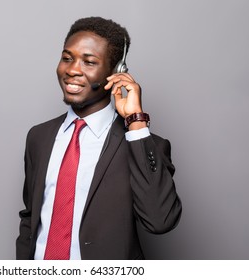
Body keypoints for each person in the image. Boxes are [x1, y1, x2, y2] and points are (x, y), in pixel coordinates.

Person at [16, 16, 182, 260]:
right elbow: (31, 218)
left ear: (116, 72)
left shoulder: (143, 143)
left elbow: (160, 221)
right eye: (67, 58)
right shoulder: (39, 137)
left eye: (89, 62)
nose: (72, 70)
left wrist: (136, 122)